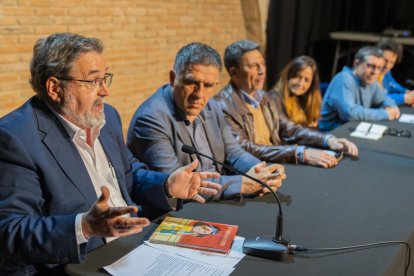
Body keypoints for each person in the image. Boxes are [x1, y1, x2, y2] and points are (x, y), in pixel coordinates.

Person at [0, 33, 222, 275]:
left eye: (105, 77)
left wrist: (167, 185)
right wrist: (83, 227)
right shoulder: (16, 137)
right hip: (78, 264)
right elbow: (11, 230)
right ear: (55, 88)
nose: (105, 90)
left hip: (136, 248)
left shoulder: (108, 118)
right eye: (94, 81)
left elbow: (129, 173)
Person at [127, 42, 285, 200]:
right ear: (173, 78)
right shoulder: (151, 119)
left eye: (208, 85)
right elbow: (179, 185)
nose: (199, 94)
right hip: (179, 208)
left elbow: (234, 153)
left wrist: (260, 171)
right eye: (191, 82)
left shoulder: (212, 105)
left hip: (216, 196)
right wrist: (243, 184)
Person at [213, 40, 358, 168]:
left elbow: (289, 128)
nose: (262, 71)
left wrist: (328, 140)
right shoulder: (221, 105)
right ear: (234, 72)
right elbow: (246, 148)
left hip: (276, 162)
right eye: (253, 66)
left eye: (262, 64)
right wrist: (299, 153)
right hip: (254, 170)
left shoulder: (263, 96)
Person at [319, 46, 400, 131]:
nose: (374, 72)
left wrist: (392, 109)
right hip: (331, 133)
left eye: (379, 68)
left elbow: (385, 99)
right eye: (370, 66)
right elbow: (350, 114)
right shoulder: (344, 80)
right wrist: (385, 114)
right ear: (357, 64)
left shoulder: (370, 80)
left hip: (351, 128)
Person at [270, 55, 322, 128]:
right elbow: (286, 131)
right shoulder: (274, 98)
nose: (301, 83)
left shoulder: (304, 99)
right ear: (288, 75)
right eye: (297, 77)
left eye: (306, 80)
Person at [376, 38, 414, 107]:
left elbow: (394, 86)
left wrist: (408, 93)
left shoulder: (386, 73)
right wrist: (405, 98)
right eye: (385, 60)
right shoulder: (369, 74)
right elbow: (377, 99)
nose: (387, 66)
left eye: (391, 62)